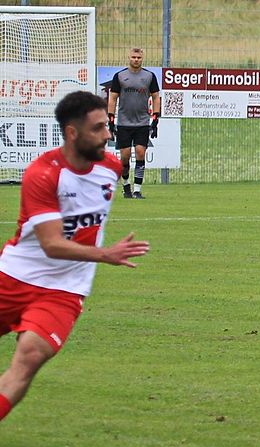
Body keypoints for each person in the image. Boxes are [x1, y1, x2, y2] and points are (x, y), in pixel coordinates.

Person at [0, 91, 151, 423]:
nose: (108, 135)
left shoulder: (111, 167)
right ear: (72, 133)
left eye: (107, 126)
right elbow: (51, 244)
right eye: (97, 128)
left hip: (65, 289)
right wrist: (104, 254)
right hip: (14, 277)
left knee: (30, 357)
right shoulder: (43, 174)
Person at [107, 47, 161, 199]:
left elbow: (156, 97)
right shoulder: (120, 76)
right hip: (124, 123)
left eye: (138, 57)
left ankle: (137, 190)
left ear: (142, 58)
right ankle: (126, 186)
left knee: (140, 153)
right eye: (133, 57)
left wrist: (155, 119)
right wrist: (111, 120)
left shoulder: (149, 76)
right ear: (129, 57)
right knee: (124, 157)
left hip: (142, 122)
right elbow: (113, 98)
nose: (136, 60)